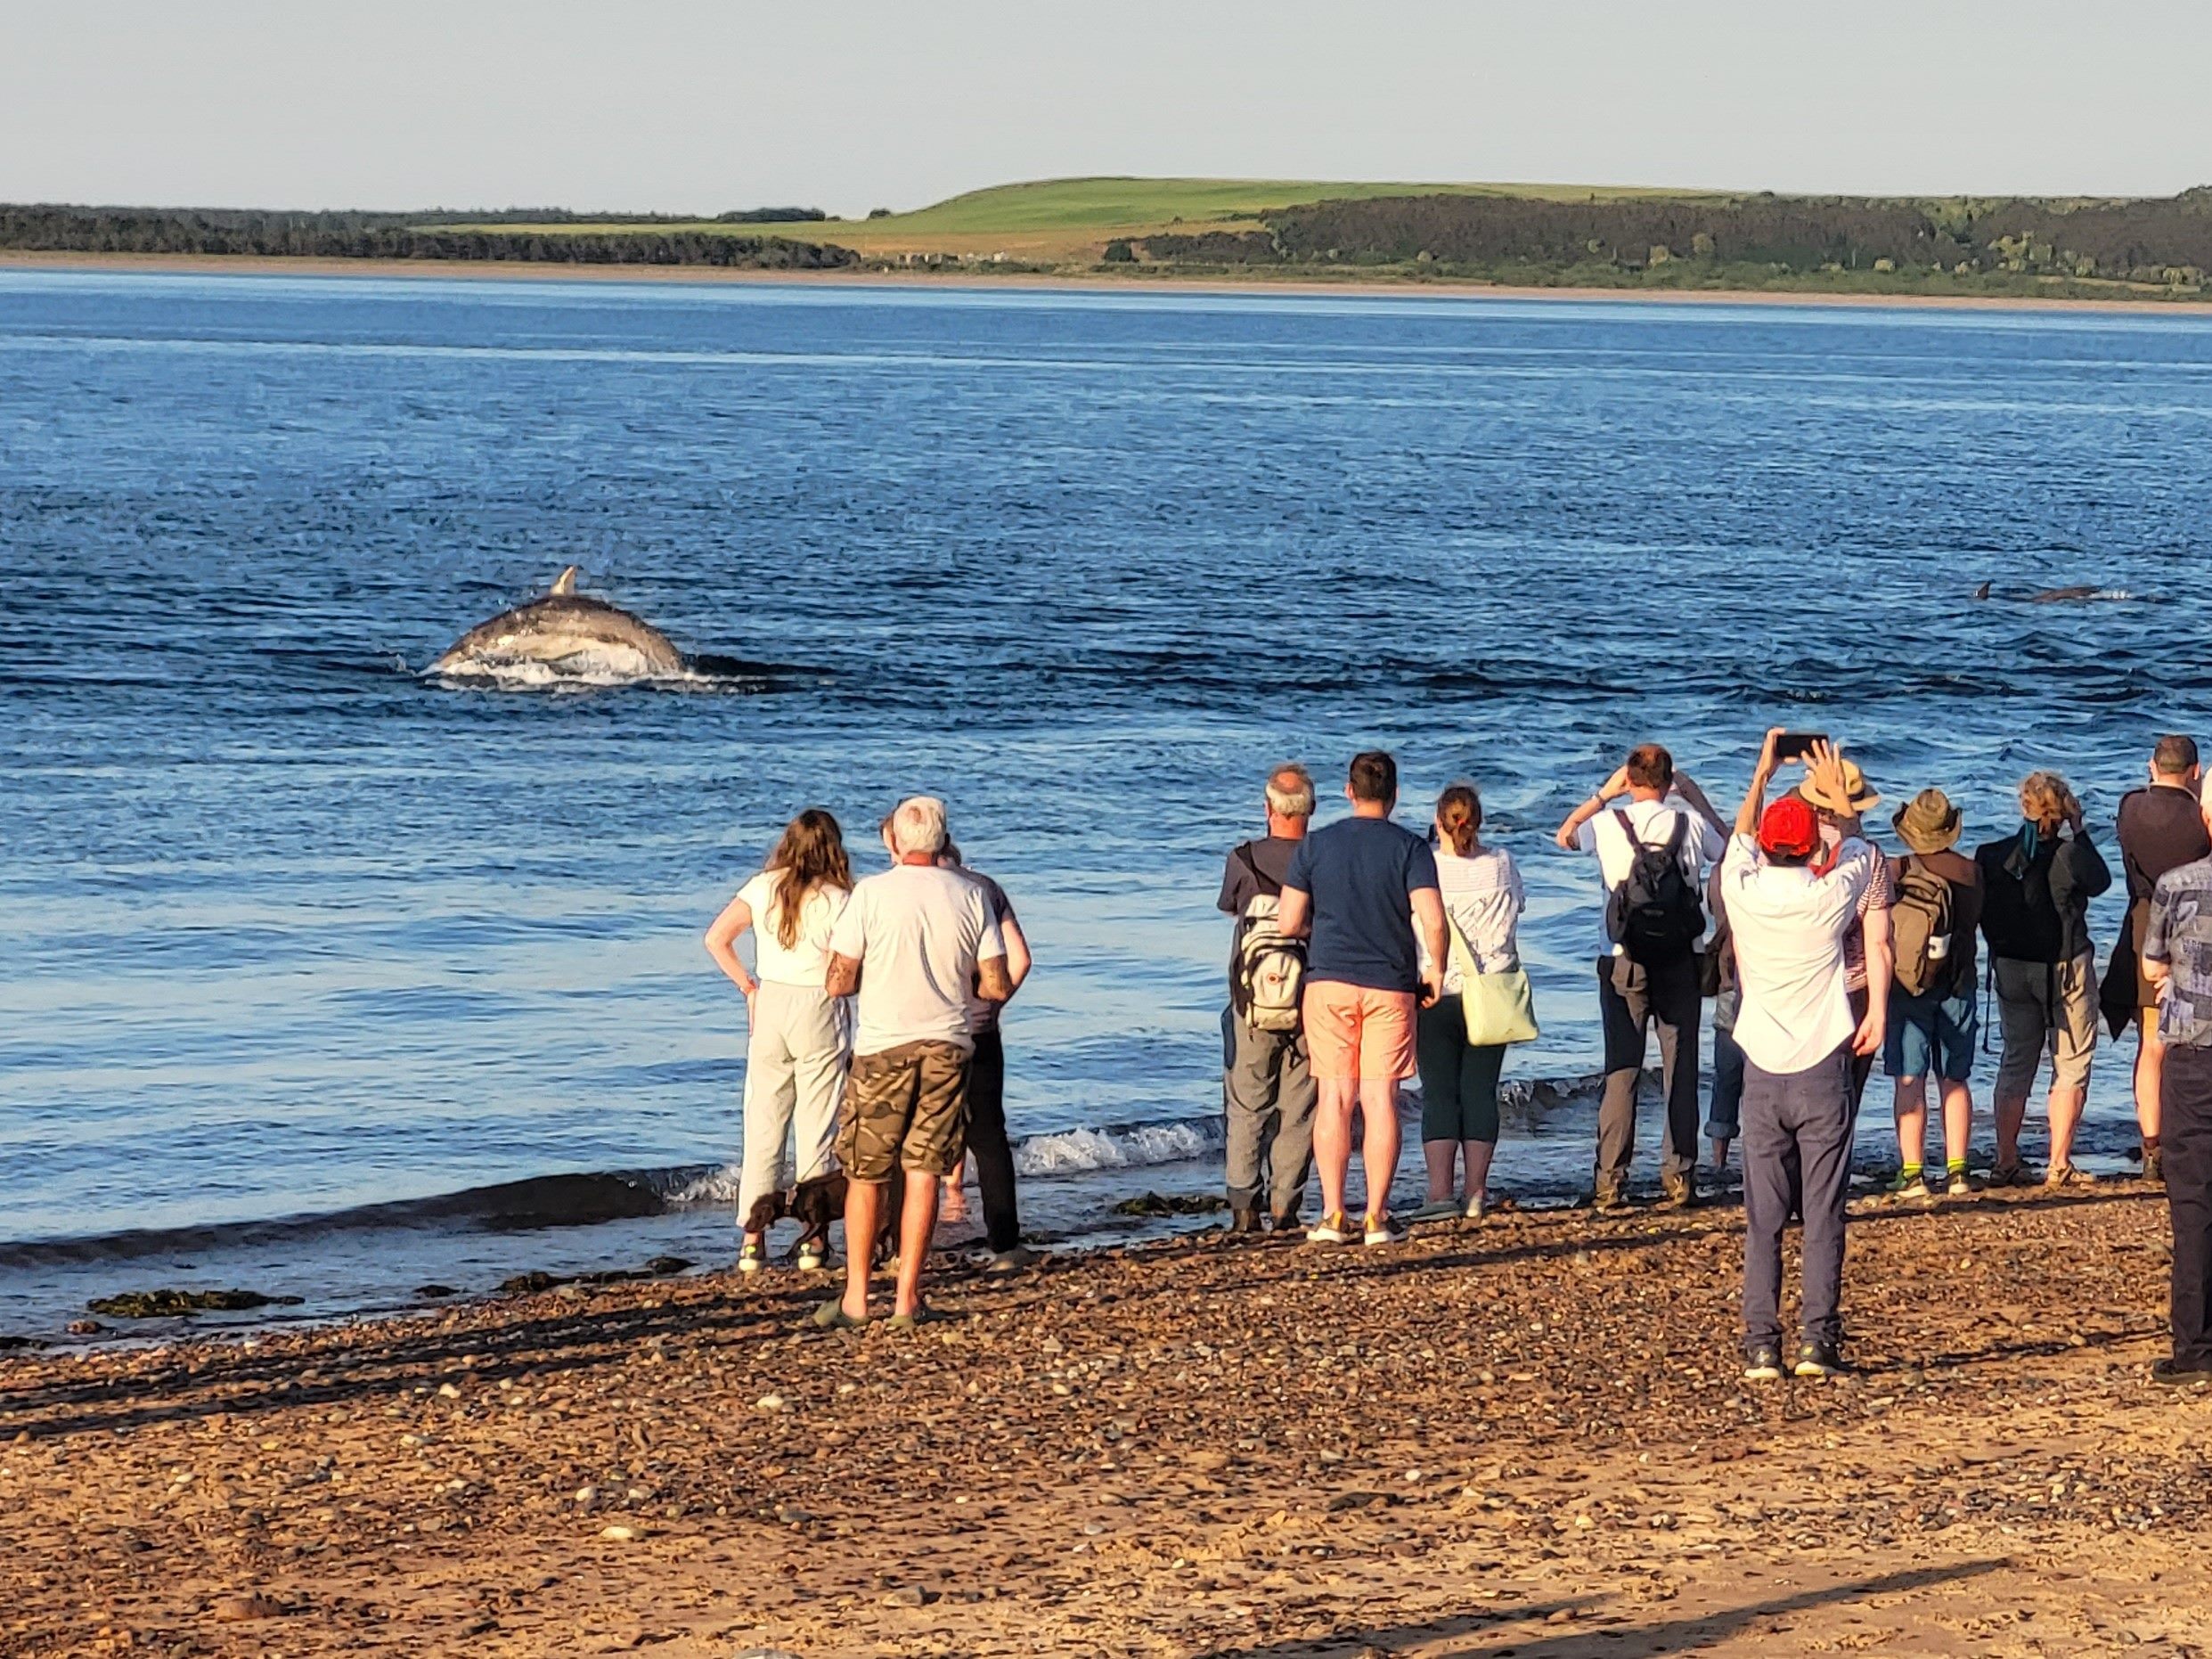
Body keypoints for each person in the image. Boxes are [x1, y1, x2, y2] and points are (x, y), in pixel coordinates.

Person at [819, 796, 1011, 1328]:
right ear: (944, 841)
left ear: (894, 842)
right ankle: (907, 1297)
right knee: (926, 1168)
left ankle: (857, 1296)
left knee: (865, 1172)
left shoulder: (871, 895)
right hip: (949, 1042)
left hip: (884, 1043)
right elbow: (995, 982)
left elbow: (837, 982)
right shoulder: (973, 895)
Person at [1723, 734, 1880, 1381]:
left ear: (1766, 844)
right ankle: (1818, 1340)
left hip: (1761, 1064)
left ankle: (1761, 1342)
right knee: (1822, 1212)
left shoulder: (1742, 891)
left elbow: (1735, 840)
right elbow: (1866, 851)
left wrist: (1761, 773)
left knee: (1762, 1219)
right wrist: (1840, 797)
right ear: (1812, 846)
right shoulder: (1827, 894)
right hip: (1821, 1063)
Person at [1276, 751, 1447, 1246]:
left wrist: (1320, 929)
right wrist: (1433, 969)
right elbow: (1432, 920)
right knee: (1379, 1098)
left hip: (1328, 980)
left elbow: (1287, 922)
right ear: (1394, 795)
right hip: (1390, 983)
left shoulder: (1316, 844)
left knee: (1333, 1096)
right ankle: (1376, 1215)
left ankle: (1332, 1214)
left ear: (1349, 792)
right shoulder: (1411, 848)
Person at [1554, 744, 1726, 1208]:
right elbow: (1730, 847)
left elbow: (1563, 836)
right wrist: (1696, 799)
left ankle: (1610, 1180)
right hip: (1681, 957)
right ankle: (1679, 1175)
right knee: (1681, 1067)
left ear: (1628, 780)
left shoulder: (1607, 823)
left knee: (1622, 1068)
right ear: (1670, 783)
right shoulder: (1689, 824)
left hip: (1622, 958)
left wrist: (1602, 796)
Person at [704, 808, 854, 1273]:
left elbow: (716, 939)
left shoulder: (763, 886)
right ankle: (814, 1238)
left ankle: (752, 1239)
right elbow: (849, 962)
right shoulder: (840, 897)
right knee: (818, 1125)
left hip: (770, 1001)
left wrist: (748, 988)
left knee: (764, 1122)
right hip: (818, 1003)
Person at [1976, 771, 2111, 1187]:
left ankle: (2006, 1159)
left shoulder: (1990, 854)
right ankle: (2058, 1162)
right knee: (2070, 1064)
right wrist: (2081, 827)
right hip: (2065, 966)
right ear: (2063, 808)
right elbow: (2102, 881)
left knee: (2016, 1061)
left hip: (2011, 965)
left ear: (2024, 808)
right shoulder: (2070, 855)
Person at [1411, 782, 1524, 1222]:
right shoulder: (1502, 863)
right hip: (1492, 990)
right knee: (1480, 1091)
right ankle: (1476, 1192)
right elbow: (1518, 909)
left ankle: (1440, 1192)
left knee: (1440, 1092)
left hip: (1433, 987)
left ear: (1439, 822)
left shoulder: (1424, 865)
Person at [1218, 763, 1320, 1234]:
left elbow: (1230, 909)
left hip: (1252, 1002)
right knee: (1299, 1107)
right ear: (1311, 810)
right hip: (1309, 999)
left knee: (1247, 1102)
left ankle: (1243, 1207)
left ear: (1267, 809)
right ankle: (1286, 1207)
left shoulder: (1244, 858)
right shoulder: (1322, 856)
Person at [2139, 774, 2212, 1385]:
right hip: (2193, 1050)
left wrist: (2172, 979)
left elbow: (2151, 962)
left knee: (2193, 1202)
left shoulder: (2177, 885)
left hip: (2195, 1053)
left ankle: (2195, 1346)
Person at [935, 839, 1038, 1271]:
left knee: (911, 1140)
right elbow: (1021, 960)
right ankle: (1004, 1241)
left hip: (928, 1028)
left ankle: (900, 1245)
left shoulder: (905, 888)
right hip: (979, 1028)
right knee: (990, 1137)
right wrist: (993, 1005)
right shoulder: (985, 888)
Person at [2113, 736, 2210, 1185]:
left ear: (2153, 766)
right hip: (2198, 925)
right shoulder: (2197, 818)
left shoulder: (2130, 808)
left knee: (2151, 1043)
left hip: (2143, 923)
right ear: (2195, 771)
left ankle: (2152, 1146)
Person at [1882, 789, 1984, 1198]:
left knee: (1910, 1076)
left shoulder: (1898, 870)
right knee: (1954, 1078)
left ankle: (1912, 1174)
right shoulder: (1972, 873)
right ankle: (1958, 1171)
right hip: (1959, 980)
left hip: (1908, 984)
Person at [1799, 759, 1893, 1116]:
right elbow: (1879, 943)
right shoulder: (1869, 856)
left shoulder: (1787, 846)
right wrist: (1878, 1010)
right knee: (1846, 1094)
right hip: (1853, 987)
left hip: (1801, 982)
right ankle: (1835, 1167)